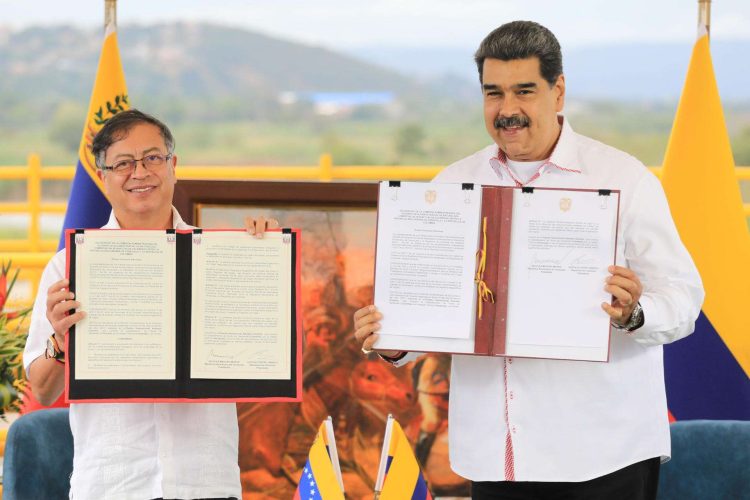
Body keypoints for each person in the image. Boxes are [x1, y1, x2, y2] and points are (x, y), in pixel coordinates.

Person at [353, 21, 704, 500]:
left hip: (603, 454)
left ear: (558, 92)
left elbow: (684, 298)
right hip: (495, 455)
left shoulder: (625, 179)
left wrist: (635, 313)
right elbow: (434, 310)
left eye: (525, 91)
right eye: (493, 93)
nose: (507, 109)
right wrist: (392, 339)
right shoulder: (452, 186)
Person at [23, 109, 277, 499]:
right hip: (112, 485)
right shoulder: (69, 266)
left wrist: (270, 272)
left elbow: (281, 361)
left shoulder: (223, 257)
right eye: (123, 163)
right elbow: (41, 390)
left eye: (153, 158)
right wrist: (60, 339)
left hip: (206, 483)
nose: (140, 172)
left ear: (173, 166)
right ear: (103, 177)